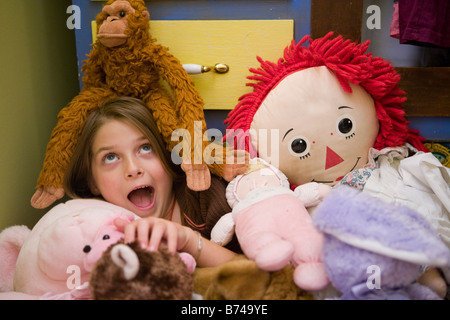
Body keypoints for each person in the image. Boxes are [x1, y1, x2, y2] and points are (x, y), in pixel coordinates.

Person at [64, 96, 240, 267]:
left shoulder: (207, 196)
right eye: (110, 157)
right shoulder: (94, 230)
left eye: (145, 148)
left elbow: (256, 273)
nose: (133, 169)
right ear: (92, 182)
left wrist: (190, 241)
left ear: (168, 155)